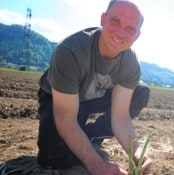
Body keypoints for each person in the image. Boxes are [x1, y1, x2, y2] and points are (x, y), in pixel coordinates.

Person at [36, 0, 152, 174]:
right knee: (54, 160)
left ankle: (90, 135)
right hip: (59, 98)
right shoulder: (70, 51)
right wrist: (97, 165)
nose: (121, 32)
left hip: (95, 94)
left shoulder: (131, 63)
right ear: (103, 19)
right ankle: (78, 139)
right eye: (115, 21)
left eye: (130, 29)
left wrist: (136, 152)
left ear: (137, 35)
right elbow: (66, 117)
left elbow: (120, 116)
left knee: (140, 92)